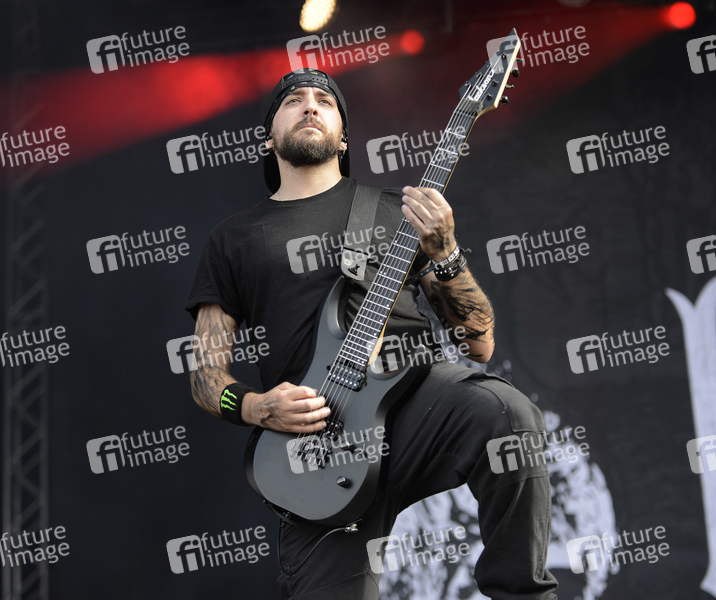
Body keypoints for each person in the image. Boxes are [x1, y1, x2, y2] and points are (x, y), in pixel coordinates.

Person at [185, 68, 558, 600]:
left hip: (415, 405)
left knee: (508, 414)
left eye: (325, 101)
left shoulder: (395, 212)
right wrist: (257, 407)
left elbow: (478, 343)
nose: (310, 106)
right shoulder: (233, 238)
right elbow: (205, 376)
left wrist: (447, 252)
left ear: (343, 138)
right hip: (317, 444)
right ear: (268, 138)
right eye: (293, 100)